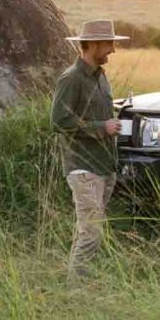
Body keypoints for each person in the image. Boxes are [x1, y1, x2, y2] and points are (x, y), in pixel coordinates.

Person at [50, 18, 126, 281]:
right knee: (91, 232)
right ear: (91, 44)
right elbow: (59, 120)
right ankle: (76, 290)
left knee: (88, 230)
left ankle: (78, 280)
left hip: (104, 166)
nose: (113, 50)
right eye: (108, 44)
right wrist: (100, 126)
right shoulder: (71, 79)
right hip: (83, 167)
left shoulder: (101, 77)